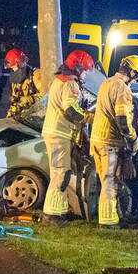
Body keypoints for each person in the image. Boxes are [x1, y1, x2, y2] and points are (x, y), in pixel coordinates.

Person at [90, 55, 138, 228]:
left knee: (107, 179)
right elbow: (123, 119)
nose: (134, 81)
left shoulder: (106, 83)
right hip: (110, 142)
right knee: (110, 182)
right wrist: (133, 140)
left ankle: (114, 215)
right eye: (136, 77)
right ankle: (108, 222)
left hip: (98, 139)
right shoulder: (122, 89)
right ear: (132, 72)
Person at [42, 50, 95, 221]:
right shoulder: (70, 84)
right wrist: (89, 117)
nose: (86, 73)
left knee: (60, 172)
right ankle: (53, 214)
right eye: (85, 70)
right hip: (59, 134)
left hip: (56, 132)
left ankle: (59, 209)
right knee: (61, 174)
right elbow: (70, 109)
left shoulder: (60, 80)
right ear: (78, 68)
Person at [5, 49, 39, 119]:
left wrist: (24, 100)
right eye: (11, 68)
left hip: (34, 119)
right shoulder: (15, 79)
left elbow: (46, 98)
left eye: (13, 67)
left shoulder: (36, 75)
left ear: (20, 64)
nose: (13, 70)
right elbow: (15, 100)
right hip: (20, 118)